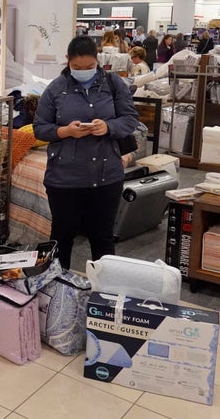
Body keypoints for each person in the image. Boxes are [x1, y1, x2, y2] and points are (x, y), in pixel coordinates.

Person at [32, 36, 138, 270]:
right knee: (61, 237)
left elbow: (130, 119)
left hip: (106, 175)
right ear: (67, 62)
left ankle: (104, 299)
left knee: (103, 238)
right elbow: (39, 128)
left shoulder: (113, 84)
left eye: (89, 67)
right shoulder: (56, 89)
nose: (83, 71)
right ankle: (58, 295)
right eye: (76, 68)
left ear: (97, 61)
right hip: (64, 178)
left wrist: (108, 127)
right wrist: (64, 131)